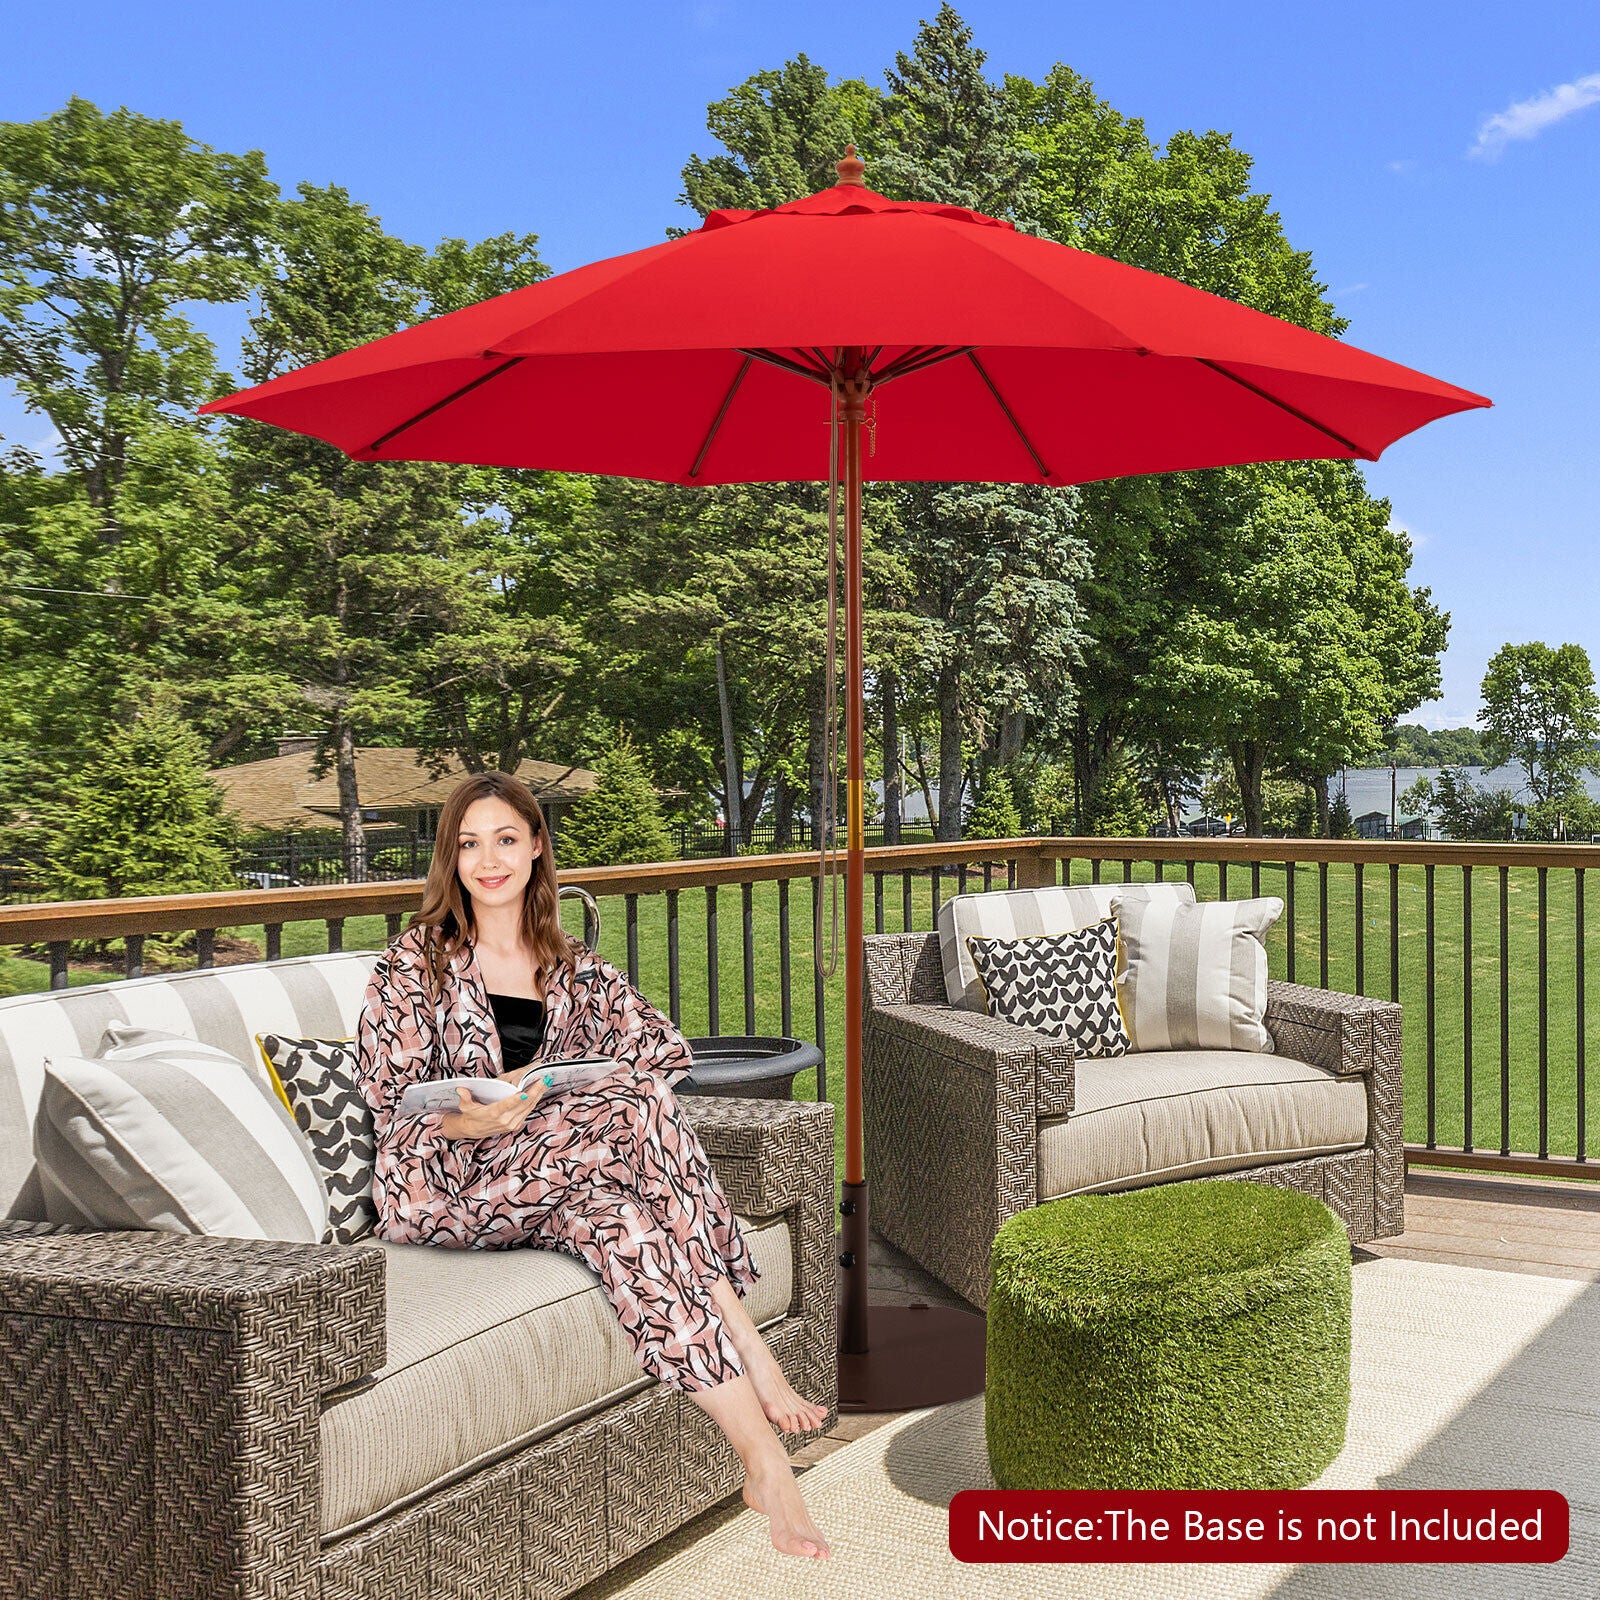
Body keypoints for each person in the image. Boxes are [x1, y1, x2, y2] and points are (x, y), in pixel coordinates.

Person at [354, 770, 832, 1560]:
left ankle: (763, 1463)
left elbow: (663, 1051)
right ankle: (748, 1340)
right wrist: (474, 1117)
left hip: (556, 1175)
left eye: (506, 839)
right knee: (630, 1110)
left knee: (621, 1224)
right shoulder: (416, 963)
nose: (488, 860)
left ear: (537, 847)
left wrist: (551, 1086)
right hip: (444, 1180)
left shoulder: (570, 966)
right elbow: (390, 1095)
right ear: (451, 859)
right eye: (469, 845)